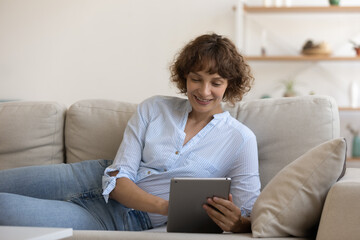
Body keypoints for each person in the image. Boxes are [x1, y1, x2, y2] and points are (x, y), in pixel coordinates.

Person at [0, 33, 260, 233]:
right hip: (87, 176)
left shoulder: (241, 139)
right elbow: (119, 174)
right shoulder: (154, 107)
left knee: (3, 209)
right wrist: (171, 208)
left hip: (118, 218)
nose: (204, 91)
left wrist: (238, 223)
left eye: (215, 83)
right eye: (196, 79)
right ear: (184, 77)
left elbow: (249, 214)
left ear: (229, 84)